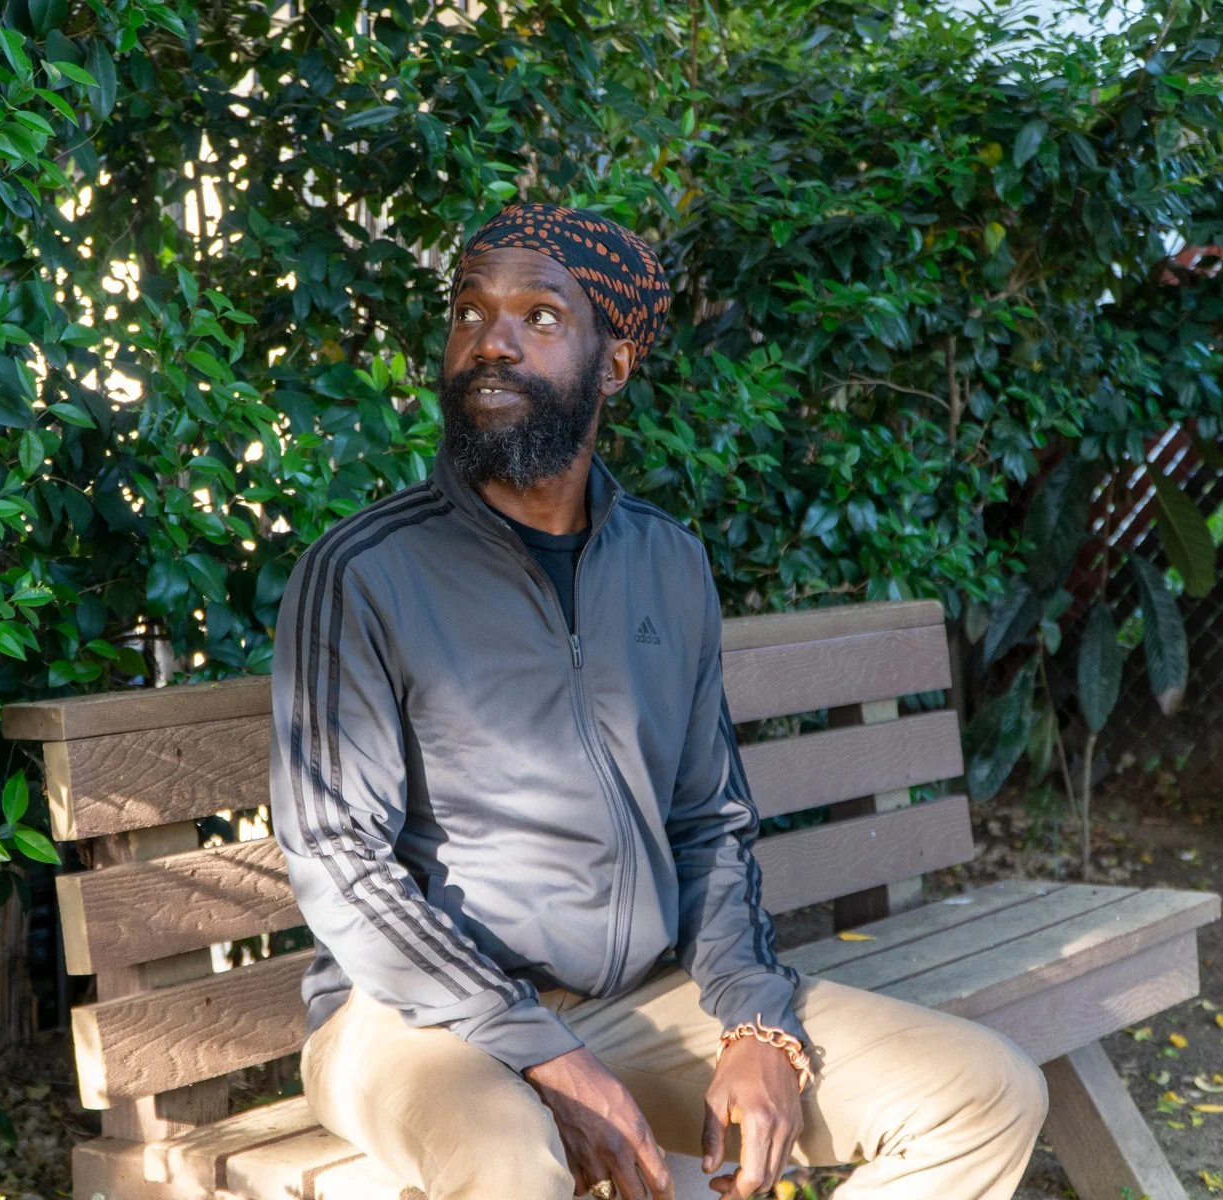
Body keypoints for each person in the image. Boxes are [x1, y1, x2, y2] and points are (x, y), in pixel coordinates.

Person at [267, 203, 1048, 1200]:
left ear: (614, 366)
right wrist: (546, 1054)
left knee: (982, 1093)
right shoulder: (365, 573)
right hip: (413, 1020)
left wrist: (758, 1021)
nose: (491, 342)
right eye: (469, 312)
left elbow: (705, 824)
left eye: (540, 318)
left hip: (636, 997)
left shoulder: (667, 565)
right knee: (515, 1172)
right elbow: (341, 860)